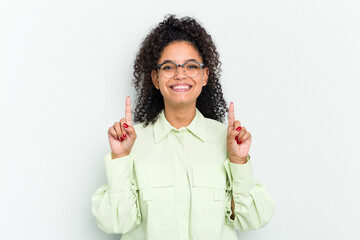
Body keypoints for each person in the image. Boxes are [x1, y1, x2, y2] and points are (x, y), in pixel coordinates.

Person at [91, 15, 275, 240]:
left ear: (205, 75)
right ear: (156, 79)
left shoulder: (228, 140)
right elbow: (114, 223)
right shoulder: (131, 142)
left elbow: (254, 219)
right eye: (168, 67)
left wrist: (238, 162)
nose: (180, 74)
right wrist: (120, 157)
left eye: (191, 66)